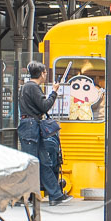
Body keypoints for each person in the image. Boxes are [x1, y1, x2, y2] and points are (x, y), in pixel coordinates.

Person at [18, 61, 70, 206]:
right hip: (30, 127)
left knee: (44, 162)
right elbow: (44, 106)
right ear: (41, 74)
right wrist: (54, 92)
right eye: (45, 72)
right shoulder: (32, 87)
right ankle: (22, 197)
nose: (46, 74)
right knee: (30, 163)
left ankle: (55, 195)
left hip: (32, 126)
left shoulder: (28, 87)